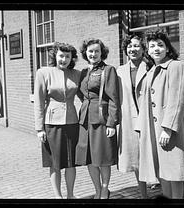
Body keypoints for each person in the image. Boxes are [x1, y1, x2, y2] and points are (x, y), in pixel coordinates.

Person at [135, 29, 184, 199]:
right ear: (148, 51)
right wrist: (141, 128)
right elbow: (144, 102)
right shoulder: (151, 71)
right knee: (162, 171)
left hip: (168, 129)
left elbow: (177, 98)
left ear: (167, 48)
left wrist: (167, 129)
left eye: (160, 45)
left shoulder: (175, 65)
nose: (156, 49)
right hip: (152, 129)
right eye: (152, 46)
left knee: (174, 171)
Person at [34, 42, 80, 199]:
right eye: (61, 55)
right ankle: (58, 196)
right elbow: (39, 101)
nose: (64, 59)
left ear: (71, 58)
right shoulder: (43, 72)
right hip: (52, 123)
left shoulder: (77, 74)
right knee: (55, 163)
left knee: (71, 162)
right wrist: (39, 128)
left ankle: (71, 195)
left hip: (73, 122)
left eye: (68, 56)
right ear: (55, 55)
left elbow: (86, 96)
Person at [75, 38, 120, 199]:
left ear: (102, 53)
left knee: (103, 158)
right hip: (85, 119)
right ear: (85, 53)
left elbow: (114, 98)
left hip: (101, 119)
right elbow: (81, 94)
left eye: (96, 51)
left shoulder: (109, 70)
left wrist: (111, 123)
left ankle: (105, 189)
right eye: (90, 51)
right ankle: (98, 189)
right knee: (89, 158)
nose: (93, 54)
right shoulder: (83, 72)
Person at [116, 33, 154, 199]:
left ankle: (159, 186)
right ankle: (144, 194)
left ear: (143, 48)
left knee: (153, 155)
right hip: (130, 119)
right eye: (129, 46)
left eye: (136, 45)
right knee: (137, 159)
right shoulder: (120, 71)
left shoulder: (151, 67)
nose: (133, 49)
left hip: (149, 117)